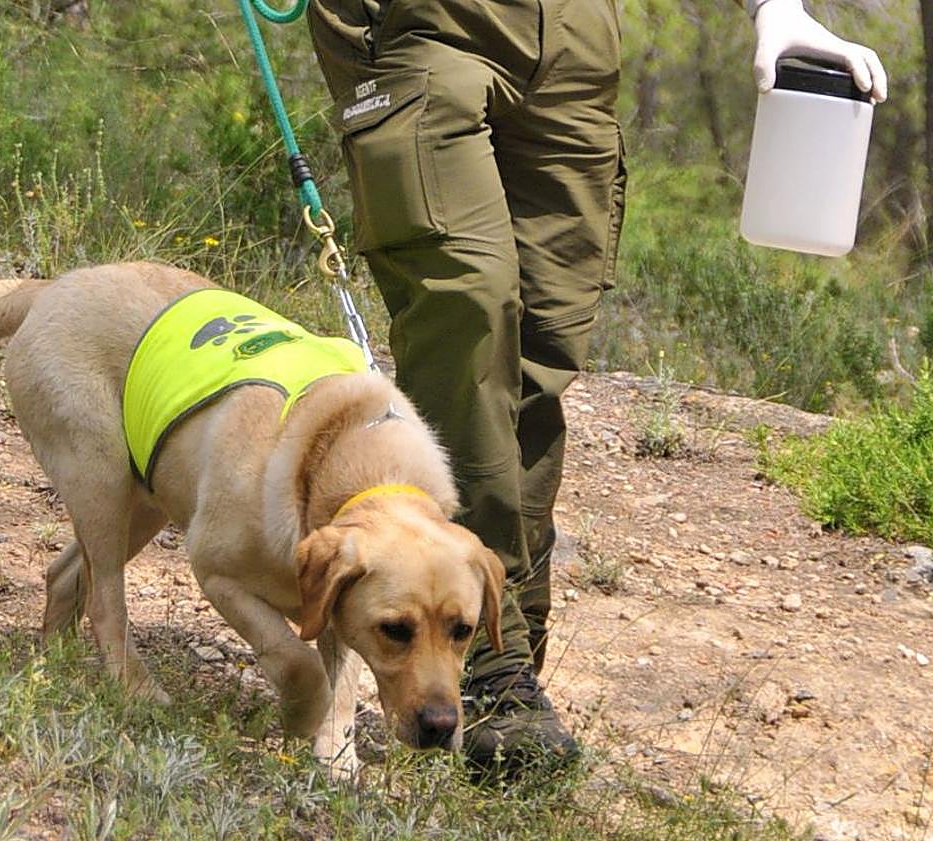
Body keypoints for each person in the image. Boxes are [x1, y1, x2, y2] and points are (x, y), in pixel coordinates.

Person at [305, 0, 886, 773]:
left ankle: (485, 643)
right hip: (423, 21)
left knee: (541, 346)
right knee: (467, 313)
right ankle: (489, 684)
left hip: (574, 37)